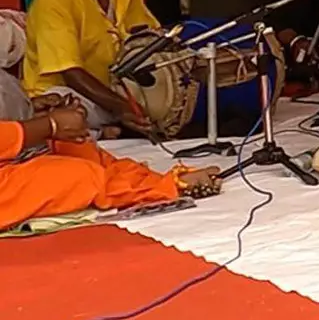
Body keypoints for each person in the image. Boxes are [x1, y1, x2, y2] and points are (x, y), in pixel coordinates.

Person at [0, 88, 221, 229]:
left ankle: (149, 182)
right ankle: (161, 187)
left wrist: (32, 108)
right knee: (80, 175)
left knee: (78, 146)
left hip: (15, 151)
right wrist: (47, 125)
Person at [21, 0, 160, 131]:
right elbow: (71, 74)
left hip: (114, 90)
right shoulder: (53, 2)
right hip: (66, 92)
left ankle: (110, 128)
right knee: (71, 115)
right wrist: (121, 107)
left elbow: (148, 38)